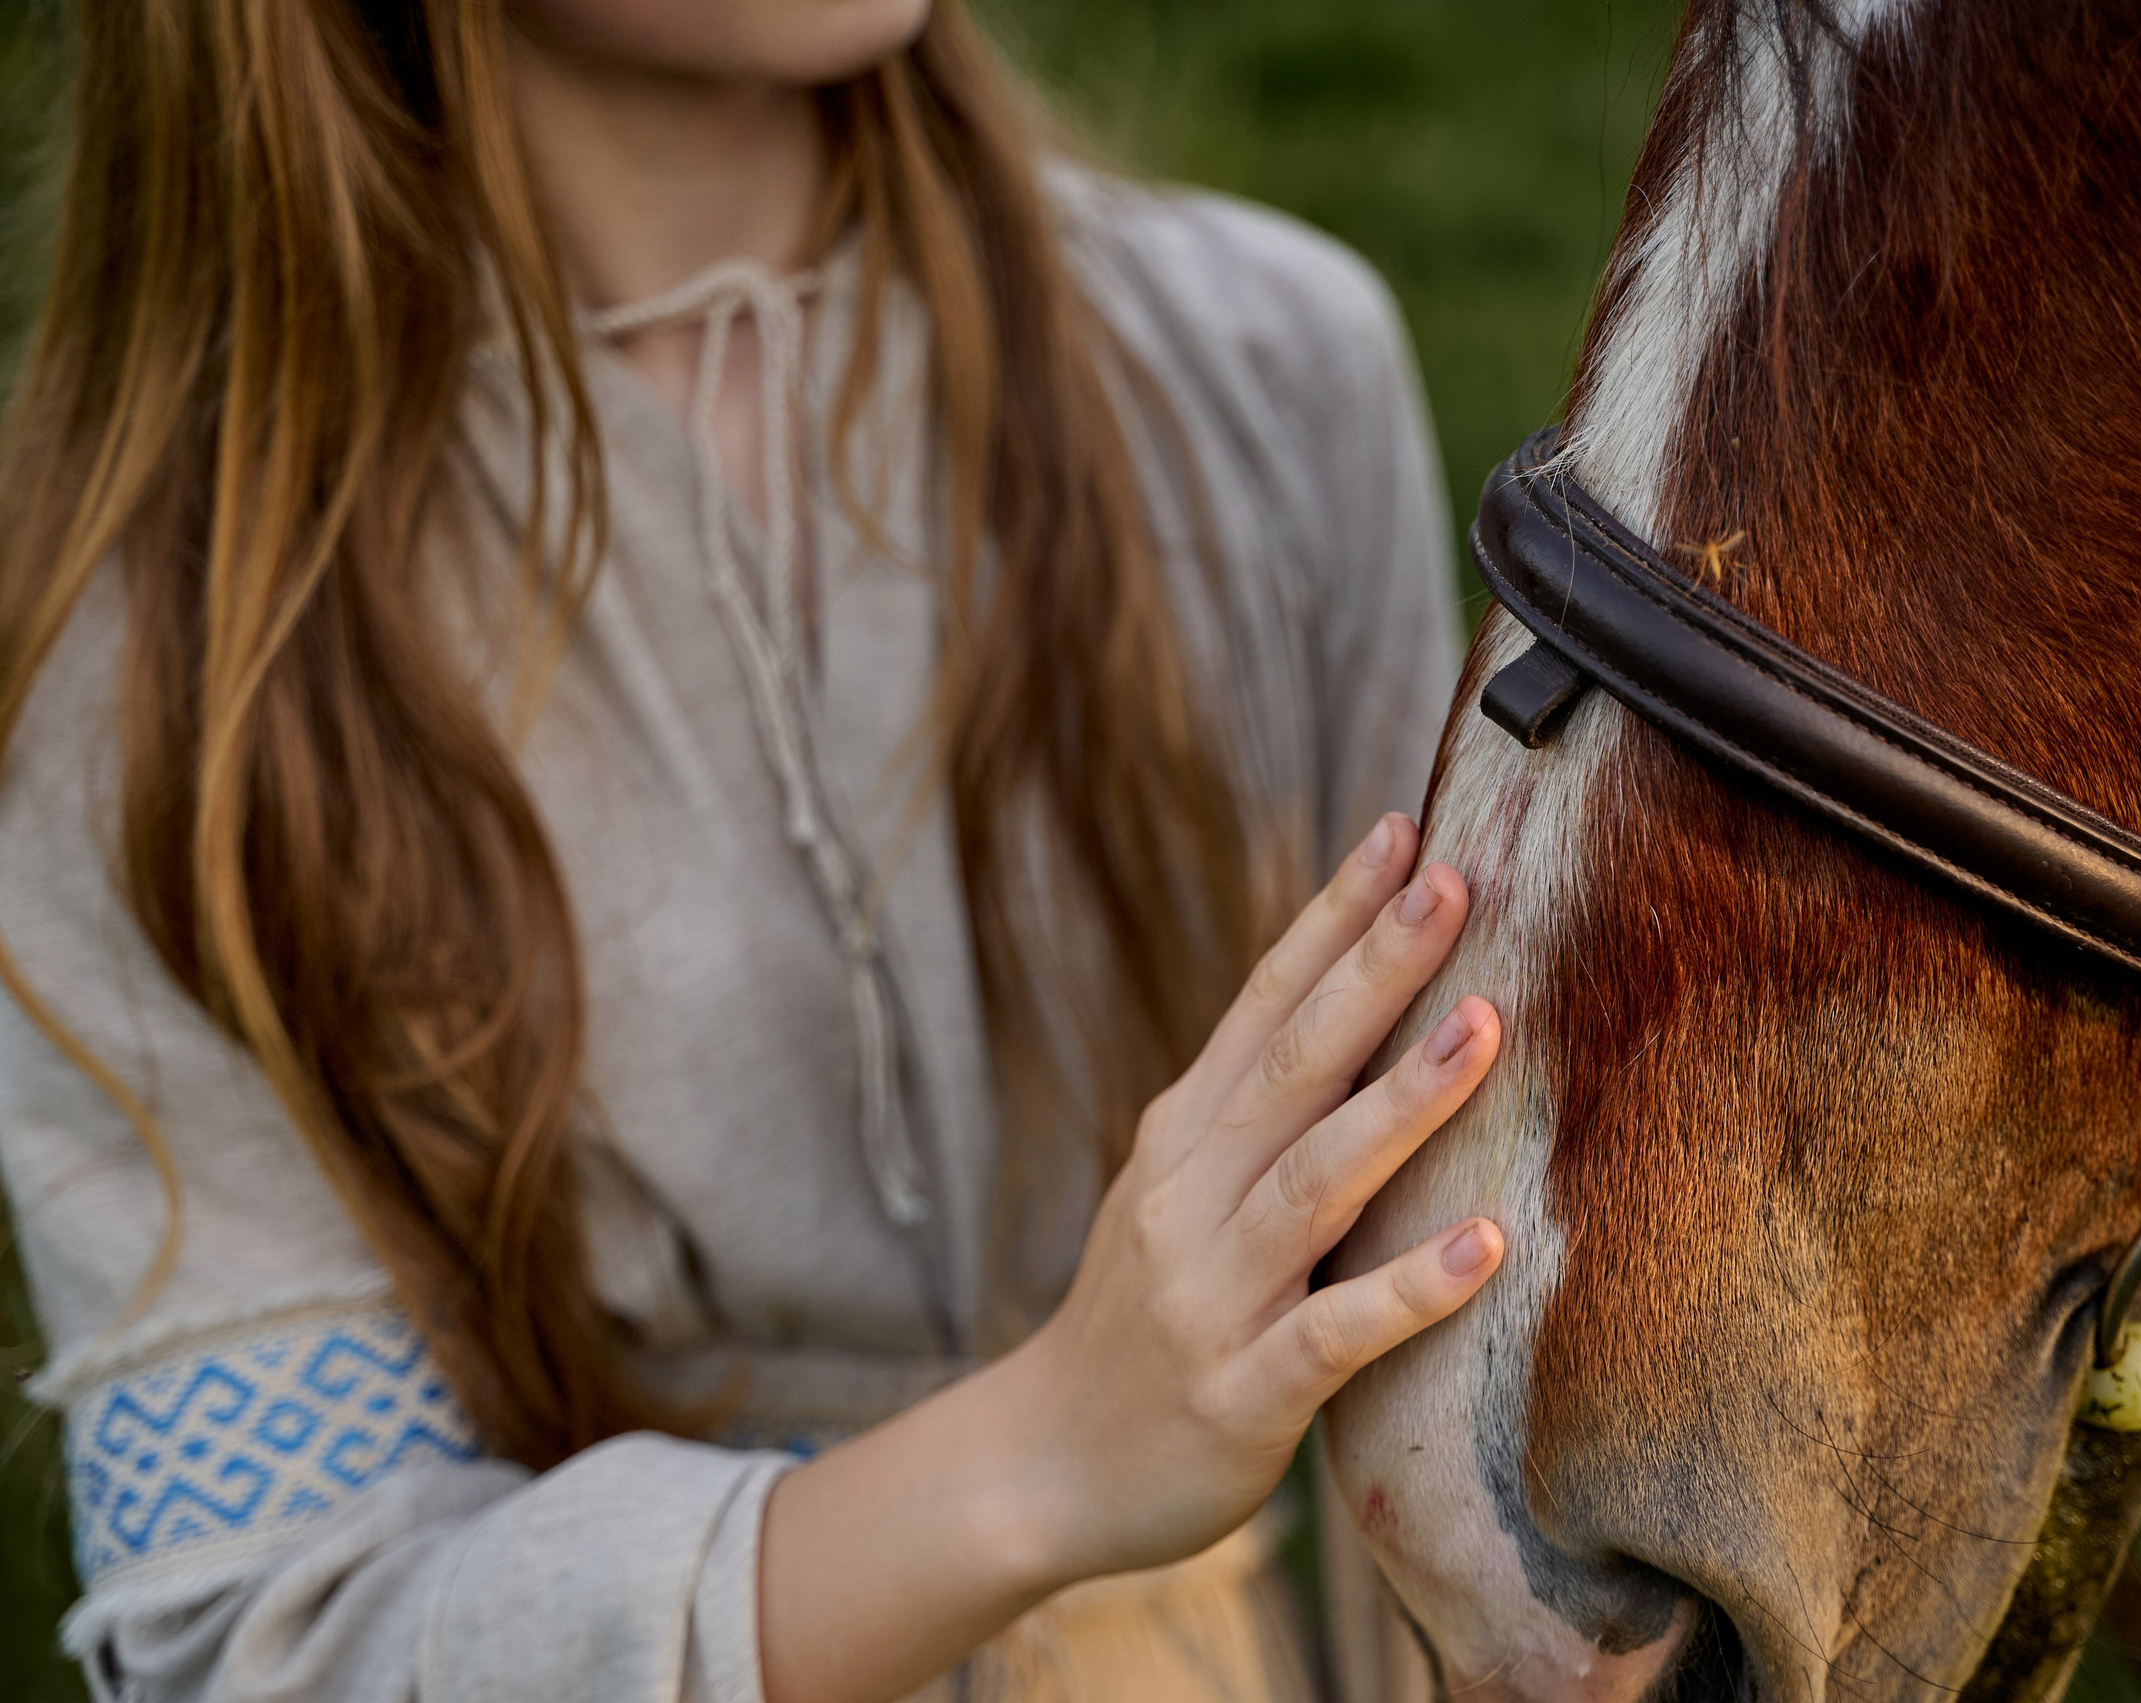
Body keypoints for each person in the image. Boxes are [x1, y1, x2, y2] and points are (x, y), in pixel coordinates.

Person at [0, 1, 1504, 1698]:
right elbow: (272, 1648)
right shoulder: (149, 674)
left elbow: (1435, 1395)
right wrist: (1040, 1463)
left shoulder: (1264, 370)